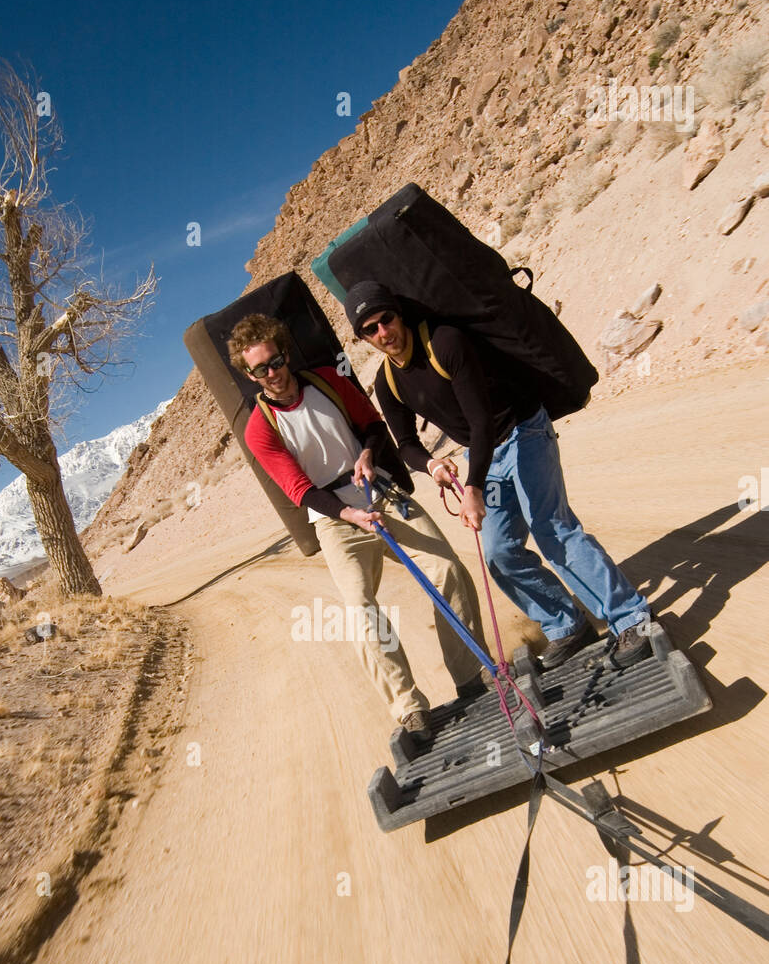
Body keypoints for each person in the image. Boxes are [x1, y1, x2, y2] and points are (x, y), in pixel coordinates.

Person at [344, 281, 652, 670]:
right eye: (369, 330)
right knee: (499, 552)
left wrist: (472, 486)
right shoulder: (389, 383)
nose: (382, 333)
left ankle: (630, 618)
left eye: (385, 319)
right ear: (363, 338)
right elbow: (406, 444)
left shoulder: (444, 342)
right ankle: (565, 625)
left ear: (398, 314)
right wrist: (433, 465)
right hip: (482, 452)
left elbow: (480, 419)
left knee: (552, 530)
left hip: (524, 430)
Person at [227, 312, 491, 742]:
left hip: (380, 494)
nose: (273, 373)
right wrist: (350, 516)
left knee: (447, 570)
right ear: (250, 375)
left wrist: (367, 455)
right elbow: (300, 489)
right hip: (335, 519)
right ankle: (409, 709)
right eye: (261, 369)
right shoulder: (260, 429)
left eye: (275, 361)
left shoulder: (329, 380)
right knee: (360, 612)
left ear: (285, 354)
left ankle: (469, 678)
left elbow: (371, 425)